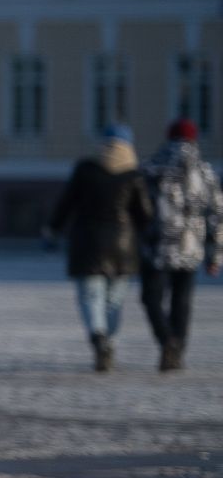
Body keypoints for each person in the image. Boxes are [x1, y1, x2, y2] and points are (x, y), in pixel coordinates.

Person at [46, 123, 153, 372]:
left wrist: (53, 230)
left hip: (88, 243)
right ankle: (109, 343)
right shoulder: (133, 174)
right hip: (123, 247)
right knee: (114, 301)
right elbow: (145, 215)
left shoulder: (86, 169)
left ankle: (98, 336)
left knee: (90, 297)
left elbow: (66, 203)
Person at [138, 118, 220, 371]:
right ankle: (178, 350)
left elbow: (138, 208)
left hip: (158, 246)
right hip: (190, 246)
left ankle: (167, 341)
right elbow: (218, 213)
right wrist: (215, 254)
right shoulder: (205, 171)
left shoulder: (153, 167)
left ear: (169, 137)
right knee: (182, 301)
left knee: (151, 298)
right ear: (193, 139)